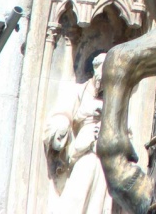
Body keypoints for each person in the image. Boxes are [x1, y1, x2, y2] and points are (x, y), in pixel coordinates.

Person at [43, 53, 111, 214]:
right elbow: (62, 114)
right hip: (81, 151)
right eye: (103, 73)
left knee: (98, 197)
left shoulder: (112, 98)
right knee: (78, 189)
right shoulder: (78, 91)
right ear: (95, 70)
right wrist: (63, 124)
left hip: (101, 152)